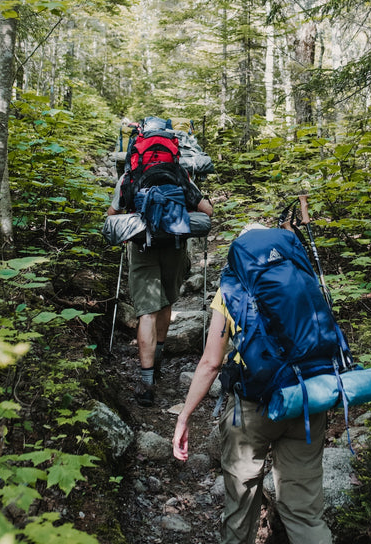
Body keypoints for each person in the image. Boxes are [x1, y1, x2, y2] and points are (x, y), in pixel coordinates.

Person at [172, 224, 333, 544]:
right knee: (305, 514)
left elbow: (210, 363)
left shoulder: (232, 287)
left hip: (252, 407)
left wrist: (184, 416)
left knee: (240, 511)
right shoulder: (300, 275)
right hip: (307, 399)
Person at [107, 161, 213, 407]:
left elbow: (113, 215)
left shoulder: (130, 176)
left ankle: (146, 384)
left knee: (147, 312)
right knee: (166, 302)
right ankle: (158, 362)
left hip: (142, 246)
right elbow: (206, 211)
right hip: (174, 246)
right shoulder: (179, 174)